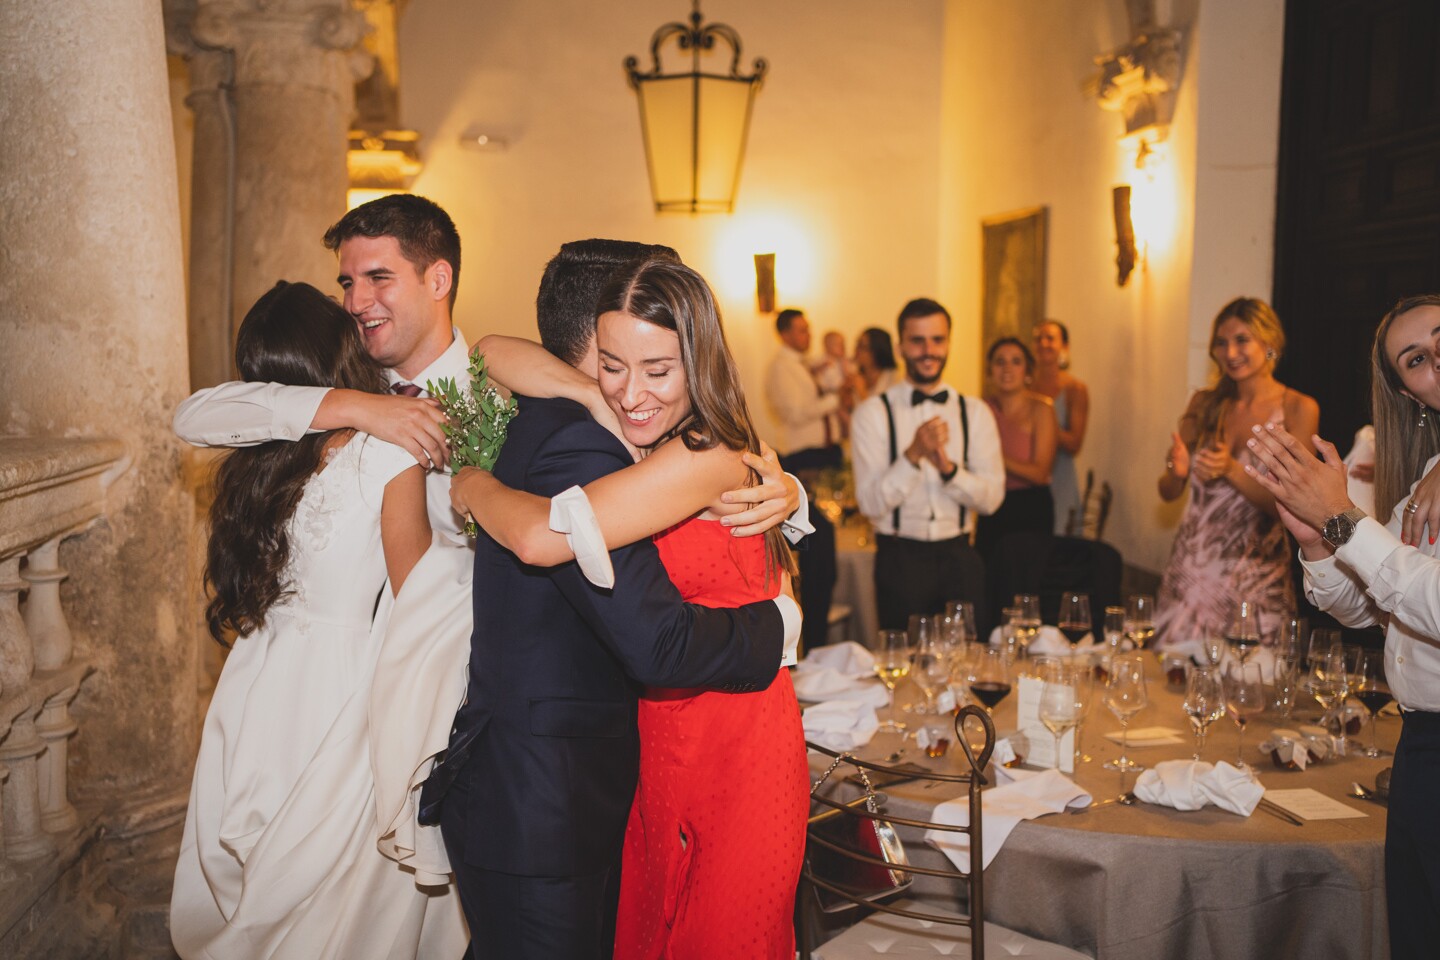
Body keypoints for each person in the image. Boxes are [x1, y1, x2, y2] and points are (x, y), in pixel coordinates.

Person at [427, 245, 805, 960]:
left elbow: (541, 539)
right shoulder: (641, 427)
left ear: (701, 362)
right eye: (612, 363)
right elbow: (490, 348)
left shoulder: (705, 456)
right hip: (661, 734)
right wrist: (594, 394)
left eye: (659, 370)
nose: (633, 391)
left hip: (735, 737)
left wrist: (470, 483)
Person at [170, 282, 467, 958]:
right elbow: (419, 595)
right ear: (341, 354)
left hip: (257, 682)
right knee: (338, 894)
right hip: (343, 688)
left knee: (263, 862)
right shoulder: (386, 451)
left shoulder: (259, 458)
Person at [1244, 293, 1440, 960]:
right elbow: (1379, 611)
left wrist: (1346, 520)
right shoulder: (1427, 479)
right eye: (1416, 359)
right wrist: (1319, 540)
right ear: (1409, 393)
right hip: (1421, 747)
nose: (1437, 359)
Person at [1153, 297, 1319, 648]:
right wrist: (1176, 470)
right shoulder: (1204, 403)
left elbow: (1294, 505)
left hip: (1256, 573)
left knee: (1251, 687)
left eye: (1242, 340)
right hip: (1194, 570)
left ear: (1269, 342)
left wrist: (1231, 469)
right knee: (1177, 684)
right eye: (1221, 343)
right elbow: (1167, 492)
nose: (1230, 353)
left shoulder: (1298, 408)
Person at [851, 298, 1005, 631]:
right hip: (899, 560)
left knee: (966, 665)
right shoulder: (872, 413)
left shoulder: (975, 413)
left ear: (949, 343)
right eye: (917, 340)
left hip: (961, 558)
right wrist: (913, 455)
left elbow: (991, 499)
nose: (928, 350)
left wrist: (950, 470)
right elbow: (870, 503)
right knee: (905, 668)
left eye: (937, 340)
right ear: (900, 346)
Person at [764, 306, 840, 652]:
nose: (807, 336)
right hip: (803, 460)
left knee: (824, 550)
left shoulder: (805, 365)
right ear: (784, 333)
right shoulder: (780, 368)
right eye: (800, 330)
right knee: (816, 547)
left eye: (809, 329)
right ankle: (809, 644)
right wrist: (832, 402)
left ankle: (818, 641)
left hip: (825, 457)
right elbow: (795, 413)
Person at [973, 337, 1057, 563]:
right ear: (990, 371)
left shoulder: (1042, 409)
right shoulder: (980, 409)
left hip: (1029, 506)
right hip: (991, 505)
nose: (1007, 368)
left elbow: (1040, 473)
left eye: (1016, 361)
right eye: (1000, 362)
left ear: (1027, 371)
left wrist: (995, 457)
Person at [1031, 320, 1090, 535]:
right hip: (1026, 476)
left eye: (1050, 338)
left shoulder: (1075, 389)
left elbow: (1074, 443)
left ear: (1064, 346)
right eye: (1039, 338)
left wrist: (1045, 424)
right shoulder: (1025, 386)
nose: (1043, 343)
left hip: (1060, 477)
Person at [852, 326, 901, 401]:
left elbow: (884, 410)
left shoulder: (895, 378)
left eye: (862, 347)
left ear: (877, 351)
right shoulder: (854, 374)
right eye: (857, 344)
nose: (856, 350)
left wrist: (862, 393)